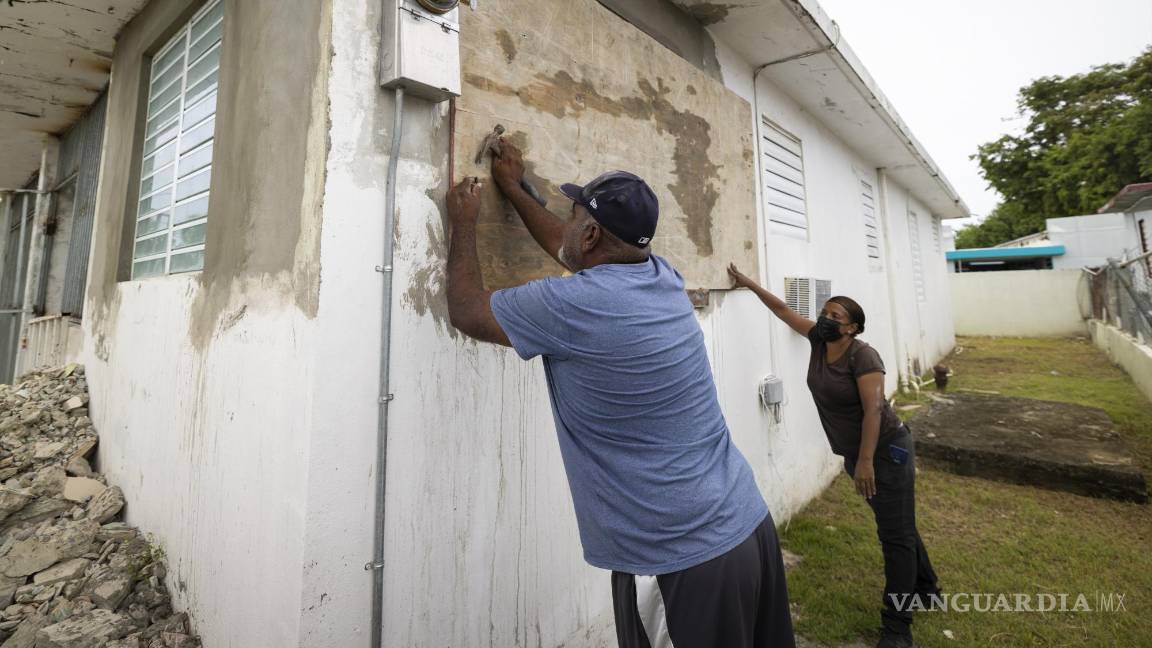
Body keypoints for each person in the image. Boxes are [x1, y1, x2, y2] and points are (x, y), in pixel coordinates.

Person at [444, 140, 795, 648]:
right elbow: (570, 252)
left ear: (589, 233)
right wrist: (516, 190)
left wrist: (464, 222)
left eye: (573, 216)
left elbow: (468, 311)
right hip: (745, 524)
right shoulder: (661, 277)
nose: (566, 226)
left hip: (689, 557)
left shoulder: (574, 305)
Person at [727, 263, 940, 648]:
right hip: (858, 456)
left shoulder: (864, 356)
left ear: (853, 327)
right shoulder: (818, 342)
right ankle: (927, 588)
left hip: (885, 453)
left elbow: (874, 409)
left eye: (835, 316)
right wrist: (747, 283)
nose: (826, 319)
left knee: (895, 537)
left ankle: (897, 628)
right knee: (899, 528)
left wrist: (863, 461)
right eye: (825, 312)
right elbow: (782, 310)